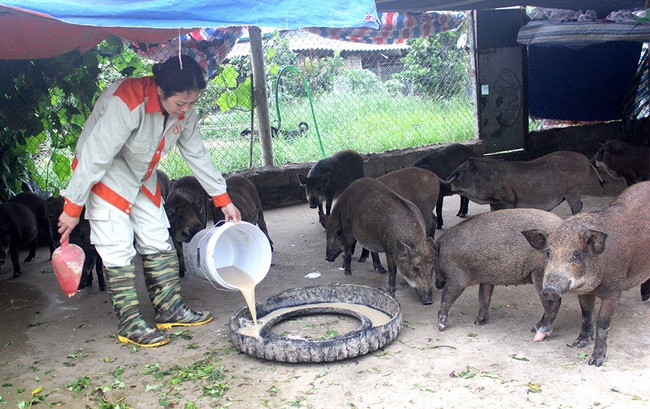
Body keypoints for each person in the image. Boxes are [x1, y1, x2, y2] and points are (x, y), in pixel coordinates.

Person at [58, 55, 241, 348]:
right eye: (181, 103)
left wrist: (223, 199)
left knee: (157, 235)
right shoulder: (127, 101)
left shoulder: (184, 109)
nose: (186, 110)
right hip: (104, 171)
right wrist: (72, 208)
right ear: (160, 90)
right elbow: (95, 156)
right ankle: (129, 322)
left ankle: (169, 308)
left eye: (192, 103)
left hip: (141, 172)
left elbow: (196, 153)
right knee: (116, 243)